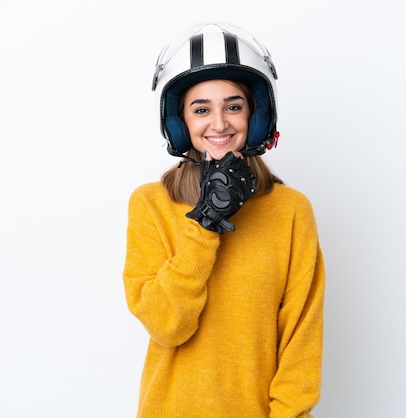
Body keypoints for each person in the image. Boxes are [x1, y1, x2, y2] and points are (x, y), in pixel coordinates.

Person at [123, 22, 325, 417]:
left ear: (256, 115)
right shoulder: (150, 204)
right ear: (180, 122)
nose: (219, 123)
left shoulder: (291, 211)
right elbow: (167, 325)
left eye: (234, 106)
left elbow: (301, 344)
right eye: (201, 109)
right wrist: (205, 224)